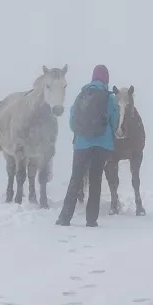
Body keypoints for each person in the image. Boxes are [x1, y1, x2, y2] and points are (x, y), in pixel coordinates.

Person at [57, 64, 119, 228]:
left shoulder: (82, 95)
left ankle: (64, 218)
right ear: (106, 79)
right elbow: (114, 120)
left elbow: (72, 121)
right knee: (95, 180)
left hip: (81, 144)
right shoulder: (109, 97)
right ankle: (91, 219)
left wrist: (82, 134)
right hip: (101, 145)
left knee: (75, 179)